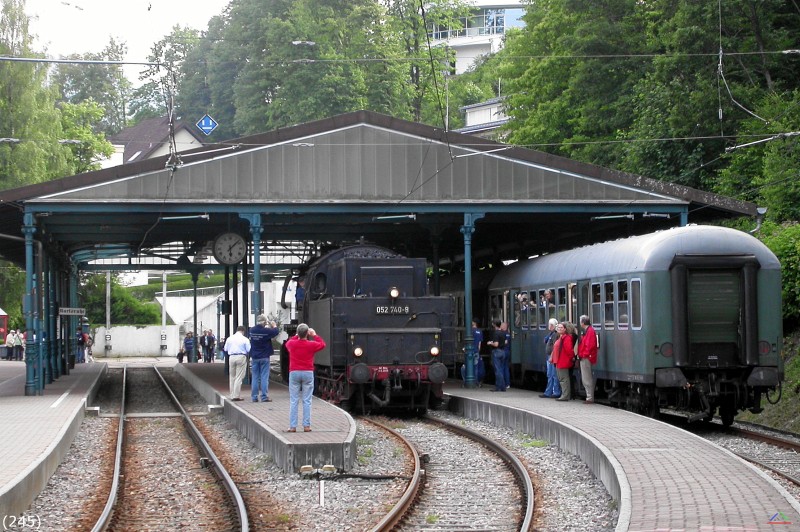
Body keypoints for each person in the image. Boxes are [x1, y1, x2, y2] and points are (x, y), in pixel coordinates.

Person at [285, 323, 326, 432]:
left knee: (294, 400)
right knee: (307, 400)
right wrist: (314, 334)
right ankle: (306, 426)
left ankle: (293, 426)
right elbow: (322, 344)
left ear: (298, 333)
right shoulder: (311, 344)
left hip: (294, 372)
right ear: (307, 333)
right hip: (308, 372)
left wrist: (297, 335)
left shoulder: (291, 344)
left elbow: (288, 342)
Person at [249, 315, 280, 402]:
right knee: (264, 377)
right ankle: (264, 396)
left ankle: (254, 397)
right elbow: (276, 332)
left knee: (255, 377)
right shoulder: (266, 331)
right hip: (264, 357)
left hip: (255, 357)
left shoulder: (252, 330)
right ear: (264, 322)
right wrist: (274, 325)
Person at [225, 326, 251, 401]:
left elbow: (226, 349)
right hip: (241, 356)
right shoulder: (245, 339)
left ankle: (232, 394)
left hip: (231, 357)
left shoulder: (229, 338)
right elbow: (248, 349)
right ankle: (236, 395)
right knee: (239, 377)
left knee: (232, 376)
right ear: (243, 331)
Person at [577, 315, 598, 404]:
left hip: (586, 357)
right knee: (586, 377)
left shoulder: (589, 331)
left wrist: (583, 354)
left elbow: (589, 345)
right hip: (585, 356)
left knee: (587, 378)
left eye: (580, 321)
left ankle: (589, 397)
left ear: (582, 322)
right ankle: (589, 396)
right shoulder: (589, 331)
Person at [539, 318, 562, 398]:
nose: (549, 326)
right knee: (550, 374)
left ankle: (555, 392)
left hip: (552, 357)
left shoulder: (555, 334)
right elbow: (545, 340)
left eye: (550, 325)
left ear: (552, 325)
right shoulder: (551, 334)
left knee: (553, 375)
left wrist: (552, 356)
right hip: (550, 356)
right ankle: (549, 392)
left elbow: (555, 347)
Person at [552, 322, 574, 401]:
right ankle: (564, 394)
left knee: (564, 379)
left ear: (565, 329)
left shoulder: (566, 338)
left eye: (561, 328)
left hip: (563, 361)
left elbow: (569, 350)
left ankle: (565, 396)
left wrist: (571, 358)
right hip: (559, 361)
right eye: (559, 327)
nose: (560, 329)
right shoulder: (561, 337)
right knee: (561, 379)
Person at [460, 319, 485, 386]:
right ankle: (476, 382)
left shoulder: (470, 331)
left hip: (470, 351)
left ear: (473, 323)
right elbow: (480, 343)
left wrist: (464, 349)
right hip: (476, 351)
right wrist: (478, 351)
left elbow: (468, 341)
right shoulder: (480, 331)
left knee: (465, 367)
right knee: (476, 367)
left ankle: (467, 382)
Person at [486, 320, 507, 392]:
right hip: (503, 352)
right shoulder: (503, 333)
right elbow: (505, 342)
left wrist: (490, 343)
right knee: (501, 370)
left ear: (494, 325)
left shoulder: (496, 333)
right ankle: (503, 387)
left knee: (497, 371)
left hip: (497, 352)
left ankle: (498, 387)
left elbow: (496, 344)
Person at [500, 321, 511, 389]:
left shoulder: (502, 334)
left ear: (504, 327)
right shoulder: (508, 334)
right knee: (506, 368)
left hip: (503, 351)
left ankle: (503, 383)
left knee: (502, 368)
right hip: (507, 352)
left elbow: (505, 342)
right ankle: (507, 383)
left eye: (501, 325)